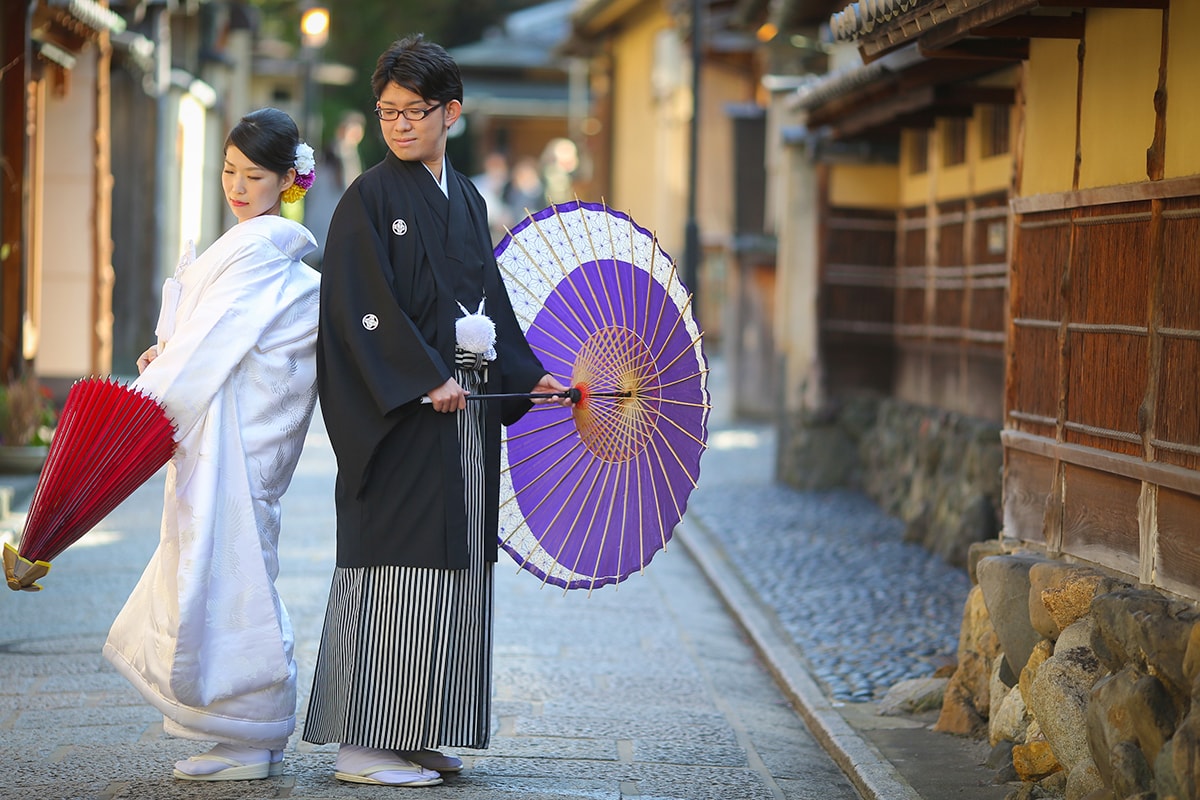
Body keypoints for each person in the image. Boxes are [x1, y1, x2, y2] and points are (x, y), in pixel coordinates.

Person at [302, 34, 569, 787]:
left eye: (415, 111)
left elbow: (489, 303)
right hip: (403, 421)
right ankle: (364, 743)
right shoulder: (368, 199)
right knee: (398, 573)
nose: (399, 125)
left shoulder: (468, 199)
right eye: (387, 112)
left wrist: (529, 374)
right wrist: (422, 377)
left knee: (453, 573)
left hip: (465, 415)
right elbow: (359, 311)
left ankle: (417, 729)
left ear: (450, 112)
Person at [101, 107, 321, 782]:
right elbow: (207, 340)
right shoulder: (263, 248)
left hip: (237, 434)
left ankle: (248, 734)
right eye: (228, 170)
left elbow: (211, 347)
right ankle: (248, 731)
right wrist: (165, 353)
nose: (237, 186)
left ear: (288, 180)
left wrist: (150, 398)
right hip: (235, 429)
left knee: (233, 573)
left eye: (254, 176)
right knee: (229, 567)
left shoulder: (258, 248)